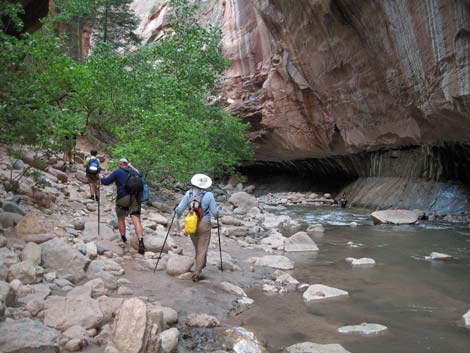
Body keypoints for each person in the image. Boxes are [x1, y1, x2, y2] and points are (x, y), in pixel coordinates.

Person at [175, 174, 219, 282]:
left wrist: (177, 216)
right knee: (202, 248)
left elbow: (180, 209)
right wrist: (218, 215)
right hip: (204, 223)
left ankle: (201, 264)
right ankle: (197, 272)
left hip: (191, 223)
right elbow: (215, 212)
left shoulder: (188, 193)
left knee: (197, 247)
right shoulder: (209, 195)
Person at [99, 158, 145, 254]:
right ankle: (141, 242)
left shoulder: (118, 172)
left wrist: (100, 177)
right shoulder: (134, 172)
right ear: (127, 164)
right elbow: (140, 175)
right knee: (136, 219)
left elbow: (105, 182)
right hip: (135, 199)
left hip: (122, 198)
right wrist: (131, 166)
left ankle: (124, 239)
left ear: (119, 164)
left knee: (121, 218)